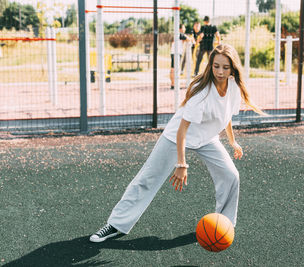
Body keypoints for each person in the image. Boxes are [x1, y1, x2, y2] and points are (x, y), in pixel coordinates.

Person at [89, 43, 265, 243]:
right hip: (177, 137)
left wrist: (233, 142)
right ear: (210, 65)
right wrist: (182, 164)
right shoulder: (202, 92)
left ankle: (224, 224)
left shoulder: (233, 87)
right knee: (147, 179)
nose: (220, 72)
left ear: (233, 68)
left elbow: (225, 117)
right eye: (216, 66)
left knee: (231, 175)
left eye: (225, 67)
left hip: (207, 139)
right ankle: (115, 225)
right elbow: (183, 130)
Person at [170, 24, 189, 90]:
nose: (185, 29)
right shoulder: (179, 34)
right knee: (175, 69)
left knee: (173, 68)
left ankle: (173, 84)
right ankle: (174, 84)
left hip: (174, 53)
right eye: (184, 28)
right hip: (176, 53)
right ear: (180, 29)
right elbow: (188, 39)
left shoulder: (177, 35)